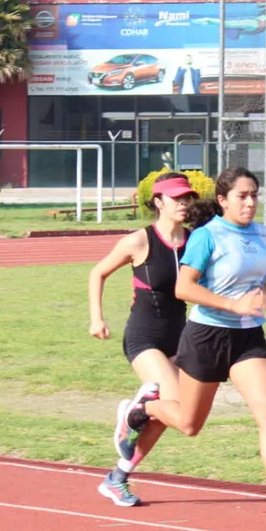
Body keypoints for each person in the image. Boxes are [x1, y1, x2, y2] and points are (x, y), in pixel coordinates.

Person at [113, 166, 266, 530]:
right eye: (242, 196)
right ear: (222, 200)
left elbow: (256, 278)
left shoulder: (261, 233)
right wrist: (233, 305)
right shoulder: (207, 236)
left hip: (248, 337)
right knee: (189, 424)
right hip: (206, 336)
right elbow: (184, 288)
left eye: (254, 195)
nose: (250, 203)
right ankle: (143, 409)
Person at [88, 172, 196, 507]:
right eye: (176, 198)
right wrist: (96, 318)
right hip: (143, 337)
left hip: (179, 339)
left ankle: (117, 477)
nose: (183, 203)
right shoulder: (139, 241)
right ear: (158, 202)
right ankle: (135, 410)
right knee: (175, 405)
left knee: (170, 416)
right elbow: (98, 272)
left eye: (187, 197)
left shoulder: (195, 240)